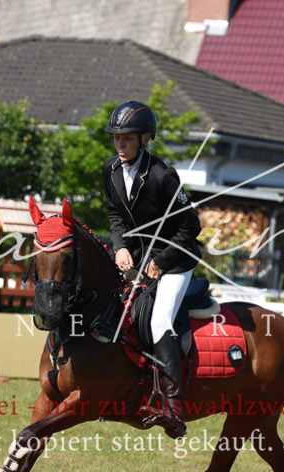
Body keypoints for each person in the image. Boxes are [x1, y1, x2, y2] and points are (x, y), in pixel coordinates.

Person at [102, 100, 202, 440]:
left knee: (159, 320)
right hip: (138, 260)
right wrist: (120, 247)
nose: (120, 145)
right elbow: (115, 216)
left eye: (127, 138)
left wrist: (160, 262)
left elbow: (191, 227)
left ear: (145, 139)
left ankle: (174, 406)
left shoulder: (162, 176)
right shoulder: (110, 169)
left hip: (175, 260)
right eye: (116, 138)